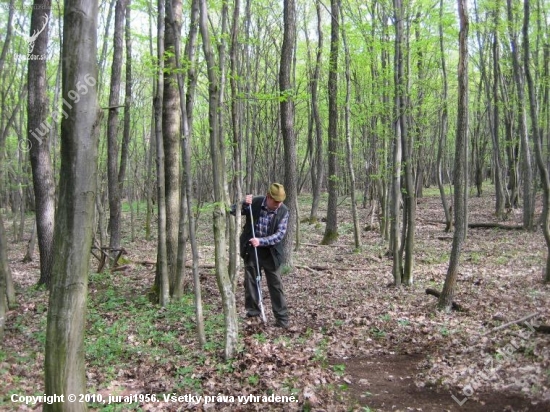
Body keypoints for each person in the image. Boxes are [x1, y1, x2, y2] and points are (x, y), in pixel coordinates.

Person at [231, 183, 290, 328]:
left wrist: (261, 241)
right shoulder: (256, 202)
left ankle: (282, 319)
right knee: (251, 282)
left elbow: (279, 235)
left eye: (280, 201)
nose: (278, 204)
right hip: (252, 249)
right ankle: (253, 315)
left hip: (271, 252)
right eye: (275, 201)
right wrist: (244, 202)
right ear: (268, 197)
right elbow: (232, 210)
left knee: (276, 284)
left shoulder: (283, 211)